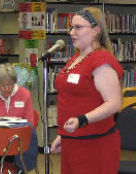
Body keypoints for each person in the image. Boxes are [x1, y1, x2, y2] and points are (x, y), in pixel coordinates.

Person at [50, 7, 123, 174]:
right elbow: (74, 100)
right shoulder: (75, 59)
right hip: (72, 141)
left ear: (96, 30)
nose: (71, 32)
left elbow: (114, 103)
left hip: (94, 143)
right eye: (71, 27)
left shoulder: (101, 60)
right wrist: (63, 135)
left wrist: (82, 120)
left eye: (78, 27)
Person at [0, 63, 37, 170]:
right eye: (3, 85)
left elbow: (30, 123)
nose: (7, 88)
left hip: (15, 142)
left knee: (11, 159)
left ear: (15, 82)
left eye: (10, 84)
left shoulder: (25, 94)